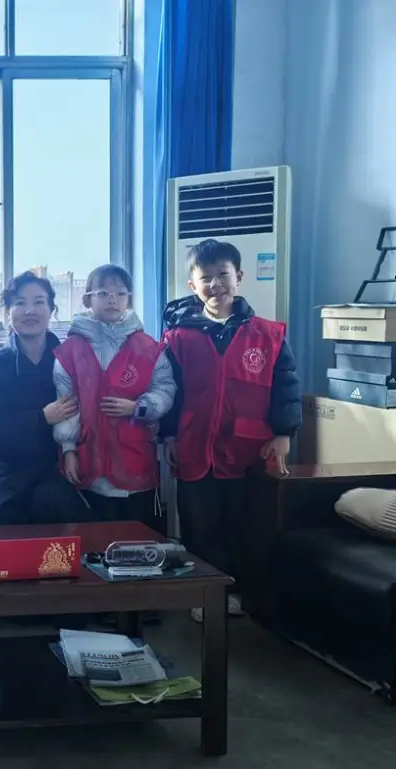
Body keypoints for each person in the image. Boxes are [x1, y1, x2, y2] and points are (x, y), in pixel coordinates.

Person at [161, 239, 301, 619]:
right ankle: (203, 595)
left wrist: (284, 433)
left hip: (245, 449)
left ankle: (236, 592)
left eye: (223, 274)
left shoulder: (268, 335)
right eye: (205, 277)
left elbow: (286, 385)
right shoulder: (178, 337)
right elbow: (170, 390)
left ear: (238, 277)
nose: (215, 284)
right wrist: (169, 434)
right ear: (193, 285)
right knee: (199, 524)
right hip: (193, 447)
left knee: (240, 524)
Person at [0, 271, 92, 526]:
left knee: (55, 501)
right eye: (20, 303)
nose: (29, 311)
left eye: (39, 302)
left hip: (58, 462)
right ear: (8, 312)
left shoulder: (72, 361)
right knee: (2, 508)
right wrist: (41, 418)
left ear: (52, 309)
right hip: (6, 468)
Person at [52, 265, 175, 530]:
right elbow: (65, 403)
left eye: (120, 293)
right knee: (95, 537)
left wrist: (139, 407)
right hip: (90, 458)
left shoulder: (148, 347)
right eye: (103, 293)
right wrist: (68, 449)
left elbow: (165, 388)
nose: (112, 299)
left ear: (129, 299)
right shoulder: (70, 351)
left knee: (138, 536)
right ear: (87, 300)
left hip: (135, 458)